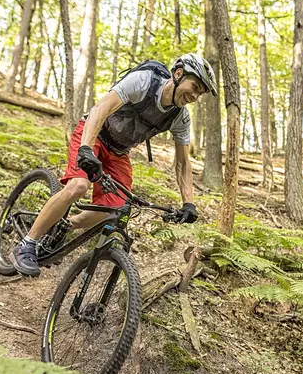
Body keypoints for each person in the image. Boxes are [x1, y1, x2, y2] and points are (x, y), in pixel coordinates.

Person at [11, 54, 218, 277]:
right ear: (178, 74)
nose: (195, 96)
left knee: (114, 209)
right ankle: (26, 244)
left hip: (119, 152)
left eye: (200, 93)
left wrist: (189, 202)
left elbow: (183, 163)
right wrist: (86, 150)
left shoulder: (181, 118)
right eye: (195, 86)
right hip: (94, 132)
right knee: (79, 186)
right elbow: (101, 109)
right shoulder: (144, 81)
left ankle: (63, 225)